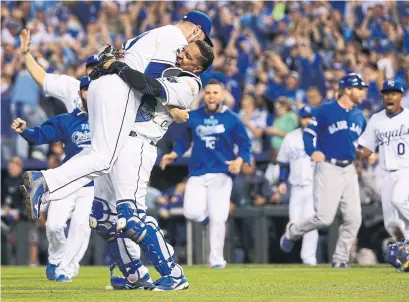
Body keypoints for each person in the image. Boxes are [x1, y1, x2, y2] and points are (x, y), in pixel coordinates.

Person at [21, 10, 213, 219]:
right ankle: (44, 181)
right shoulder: (174, 37)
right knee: (104, 159)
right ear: (197, 30)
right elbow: (149, 81)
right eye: (204, 38)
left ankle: (46, 190)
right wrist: (171, 107)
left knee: (100, 154)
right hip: (119, 89)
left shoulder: (155, 34)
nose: (201, 44)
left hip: (100, 85)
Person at [18, 28, 152, 285]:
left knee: (92, 222)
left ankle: (78, 269)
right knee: (56, 225)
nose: (93, 71)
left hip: (105, 169)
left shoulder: (120, 86)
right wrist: (26, 55)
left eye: (97, 66)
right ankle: (60, 258)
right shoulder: (75, 87)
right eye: (90, 67)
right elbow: (43, 79)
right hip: (79, 162)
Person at [89, 40, 214, 291]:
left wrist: (118, 66)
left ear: (197, 68)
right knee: (102, 218)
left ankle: (173, 273)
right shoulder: (161, 64)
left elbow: (148, 85)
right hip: (113, 141)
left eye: (188, 56)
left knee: (131, 218)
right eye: (182, 50)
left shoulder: (190, 83)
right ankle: (133, 275)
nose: (180, 56)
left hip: (138, 144)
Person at [160, 79, 251, 269]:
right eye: (208, 92)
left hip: (221, 173)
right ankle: (207, 219)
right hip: (198, 172)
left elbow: (245, 144)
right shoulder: (193, 116)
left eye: (215, 93)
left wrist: (240, 160)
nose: (211, 96)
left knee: (220, 218)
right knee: (191, 212)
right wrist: (174, 154)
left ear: (222, 95)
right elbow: (184, 140)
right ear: (204, 95)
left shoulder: (232, 118)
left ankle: (217, 260)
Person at [11, 77, 95, 282]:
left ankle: (67, 268)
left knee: (81, 225)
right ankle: (56, 259)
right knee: (54, 225)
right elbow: (40, 135)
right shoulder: (68, 119)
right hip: (67, 179)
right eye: (85, 90)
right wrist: (24, 130)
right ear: (80, 93)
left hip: (92, 184)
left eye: (92, 90)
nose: (89, 93)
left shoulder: (107, 119)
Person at [280, 73, 368, 268]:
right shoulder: (326, 110)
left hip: (350, 169)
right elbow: (309, 133)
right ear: (347, 89)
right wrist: (313, 151)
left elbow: (363, 143)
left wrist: (367, 153)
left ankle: (340, 259)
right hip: (329, 167)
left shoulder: (359, 116)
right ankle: (293, 231)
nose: (363, 92)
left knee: (354, 218)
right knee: (325, 218)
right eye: (359, 88)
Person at [357, 80, 409, 242]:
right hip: (385, 174)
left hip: (405, 169)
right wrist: (359, 152)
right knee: (392, 224)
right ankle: (406, 254)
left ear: (401, 96)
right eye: (386, 93)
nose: (389, 97)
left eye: (393, 93)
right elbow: (367, 148)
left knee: (399, 200)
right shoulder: (376, 120)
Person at [276, 105, 318, 266]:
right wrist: (281, 181)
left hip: (313, 187)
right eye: (304, 117)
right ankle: (289, 237)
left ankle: (309, 258)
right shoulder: (291, 137)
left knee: (311, 223)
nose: (307, 120)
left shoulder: (319, 137)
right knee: (294, 223)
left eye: (310, 117)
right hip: (296, 187)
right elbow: (283, 163)